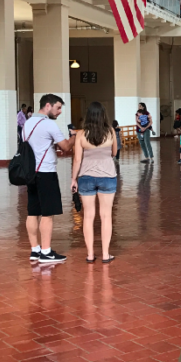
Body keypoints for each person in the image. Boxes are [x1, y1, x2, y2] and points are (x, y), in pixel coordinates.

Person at [23, 94, 75, 264]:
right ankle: (46, 252)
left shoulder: (27, 123)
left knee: (33, 212)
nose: (59, 112)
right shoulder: (49, 124)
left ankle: (35, 250)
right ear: (48, 105)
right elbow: (66, 147)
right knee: (47, 213)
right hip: (46, 172)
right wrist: (74, 135)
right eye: (58, 107)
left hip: (31, 173)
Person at [70, 101, 117, 263]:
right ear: (103, 115)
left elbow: (77, 159)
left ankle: (90, 254)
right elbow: (114, 152)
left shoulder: (81, 134)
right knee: (106, 216)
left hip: (86, 177)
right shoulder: (110, 132)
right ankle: (105, 254)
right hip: (108, 176)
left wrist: (73, 179)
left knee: (88, 216)